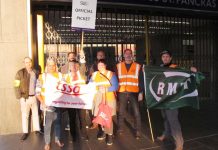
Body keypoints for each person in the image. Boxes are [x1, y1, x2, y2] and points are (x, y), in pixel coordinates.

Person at [157, 50, 197, 150]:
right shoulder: (159, 68)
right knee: (165, 118)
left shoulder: (176, 67)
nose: (165, 58)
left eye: (167, 56)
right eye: (163, 57)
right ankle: (166, 134)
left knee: (173, 120)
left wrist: (192, 70)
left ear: (170, 58)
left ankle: (179, 143)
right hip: (163, 98)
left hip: (173, 100)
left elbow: (185, 72)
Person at [36, 57, 64, 150]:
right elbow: (37, 92)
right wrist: (42, 102)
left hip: (58, 105)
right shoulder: (42, 76)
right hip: (47, 105)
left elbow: (65, 89)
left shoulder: (60, 75)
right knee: (47, 125)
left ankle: (57, 139)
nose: (51, 67)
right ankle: (47, 143)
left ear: (55, 65)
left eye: (53, 65)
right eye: (49, 65)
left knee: (58, 123)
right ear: (46, 66)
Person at [89, 59, 118, 145]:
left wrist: (106, 89)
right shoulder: (94, 75)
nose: (100, 67)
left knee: (107, 117)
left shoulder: (110, 74)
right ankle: (103, 131)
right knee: (100, 116)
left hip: (108, 98)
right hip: (98, 98)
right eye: (99, 65)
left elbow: (115, 86)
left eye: (102, 65)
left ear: (105, 65)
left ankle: (109, 135)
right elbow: (90, 86)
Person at [116, 49, 143, 139]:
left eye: (129, 54)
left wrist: (141, 92)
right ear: (123, 55)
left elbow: (141, 81)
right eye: (126, 54)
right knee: (121, 112)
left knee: (137, 113)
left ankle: (138, 131)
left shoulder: (138, 66)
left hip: (134, 92)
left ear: (132, 55)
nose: (128, 55)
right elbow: (116, 79)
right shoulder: (118, 66)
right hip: (122, 92)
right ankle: (120, 128)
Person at [14, 57, 41, 141]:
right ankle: (25, 132)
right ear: (24, 63)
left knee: (36, 114)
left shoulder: (35, 72)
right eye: (26, 62)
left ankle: (37, 129)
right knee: (25, 115)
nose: (28, 64)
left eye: (29, 62)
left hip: (34, 97)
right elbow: (16, 85)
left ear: (31, 63)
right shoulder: (20, 73)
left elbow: (39, 83)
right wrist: (20, 97)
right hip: (25, 98)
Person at [64, 60, 89, 141]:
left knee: (82, 119)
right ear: (69, 67)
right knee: (72, 119)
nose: (73, 67)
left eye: (75, 66)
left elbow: (86, 87)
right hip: (70, 102)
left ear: (78, 67)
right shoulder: (66, 77)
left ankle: (84, 135)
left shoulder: (82, 76)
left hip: (80, 101)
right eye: (71, 66)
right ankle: (73, 136)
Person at [61, 52, 77, 131]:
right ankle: (68, 123)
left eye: (73, 56)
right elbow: (62, 79)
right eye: (70, 56)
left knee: (78, 108)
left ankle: (78, 124)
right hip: (68, 92)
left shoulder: (79, 66)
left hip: (77, 91)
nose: (72, 58)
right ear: (67, 57)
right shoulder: (63, 68)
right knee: (68, 109)